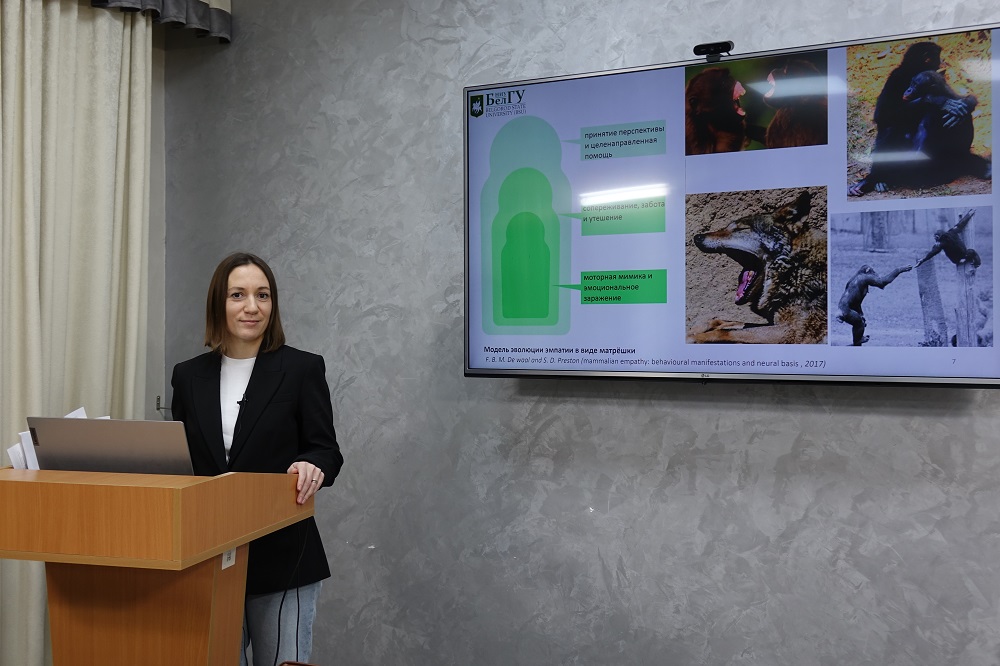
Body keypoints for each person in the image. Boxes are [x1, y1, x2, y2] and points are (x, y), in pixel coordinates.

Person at [170, 252, 343, 666]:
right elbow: (181, 462)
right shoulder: (187, 376)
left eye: (262, 295)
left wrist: (312, 464)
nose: (252, 306)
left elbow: (325, 449)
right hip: (209, 555)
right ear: (218, 303)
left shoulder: (302, 368)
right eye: (238, 295)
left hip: (284, 557)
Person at [836, 264, 912, 346]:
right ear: (868, 272)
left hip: (842, 307)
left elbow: (854, 299)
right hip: (846, 309)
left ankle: (857, 342)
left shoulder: (854, 280)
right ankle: (857, 342)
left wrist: (860, 313)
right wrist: (899, 270)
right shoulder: (864, 277)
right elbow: (883, 282)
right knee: (860, 324)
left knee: (860, 322)